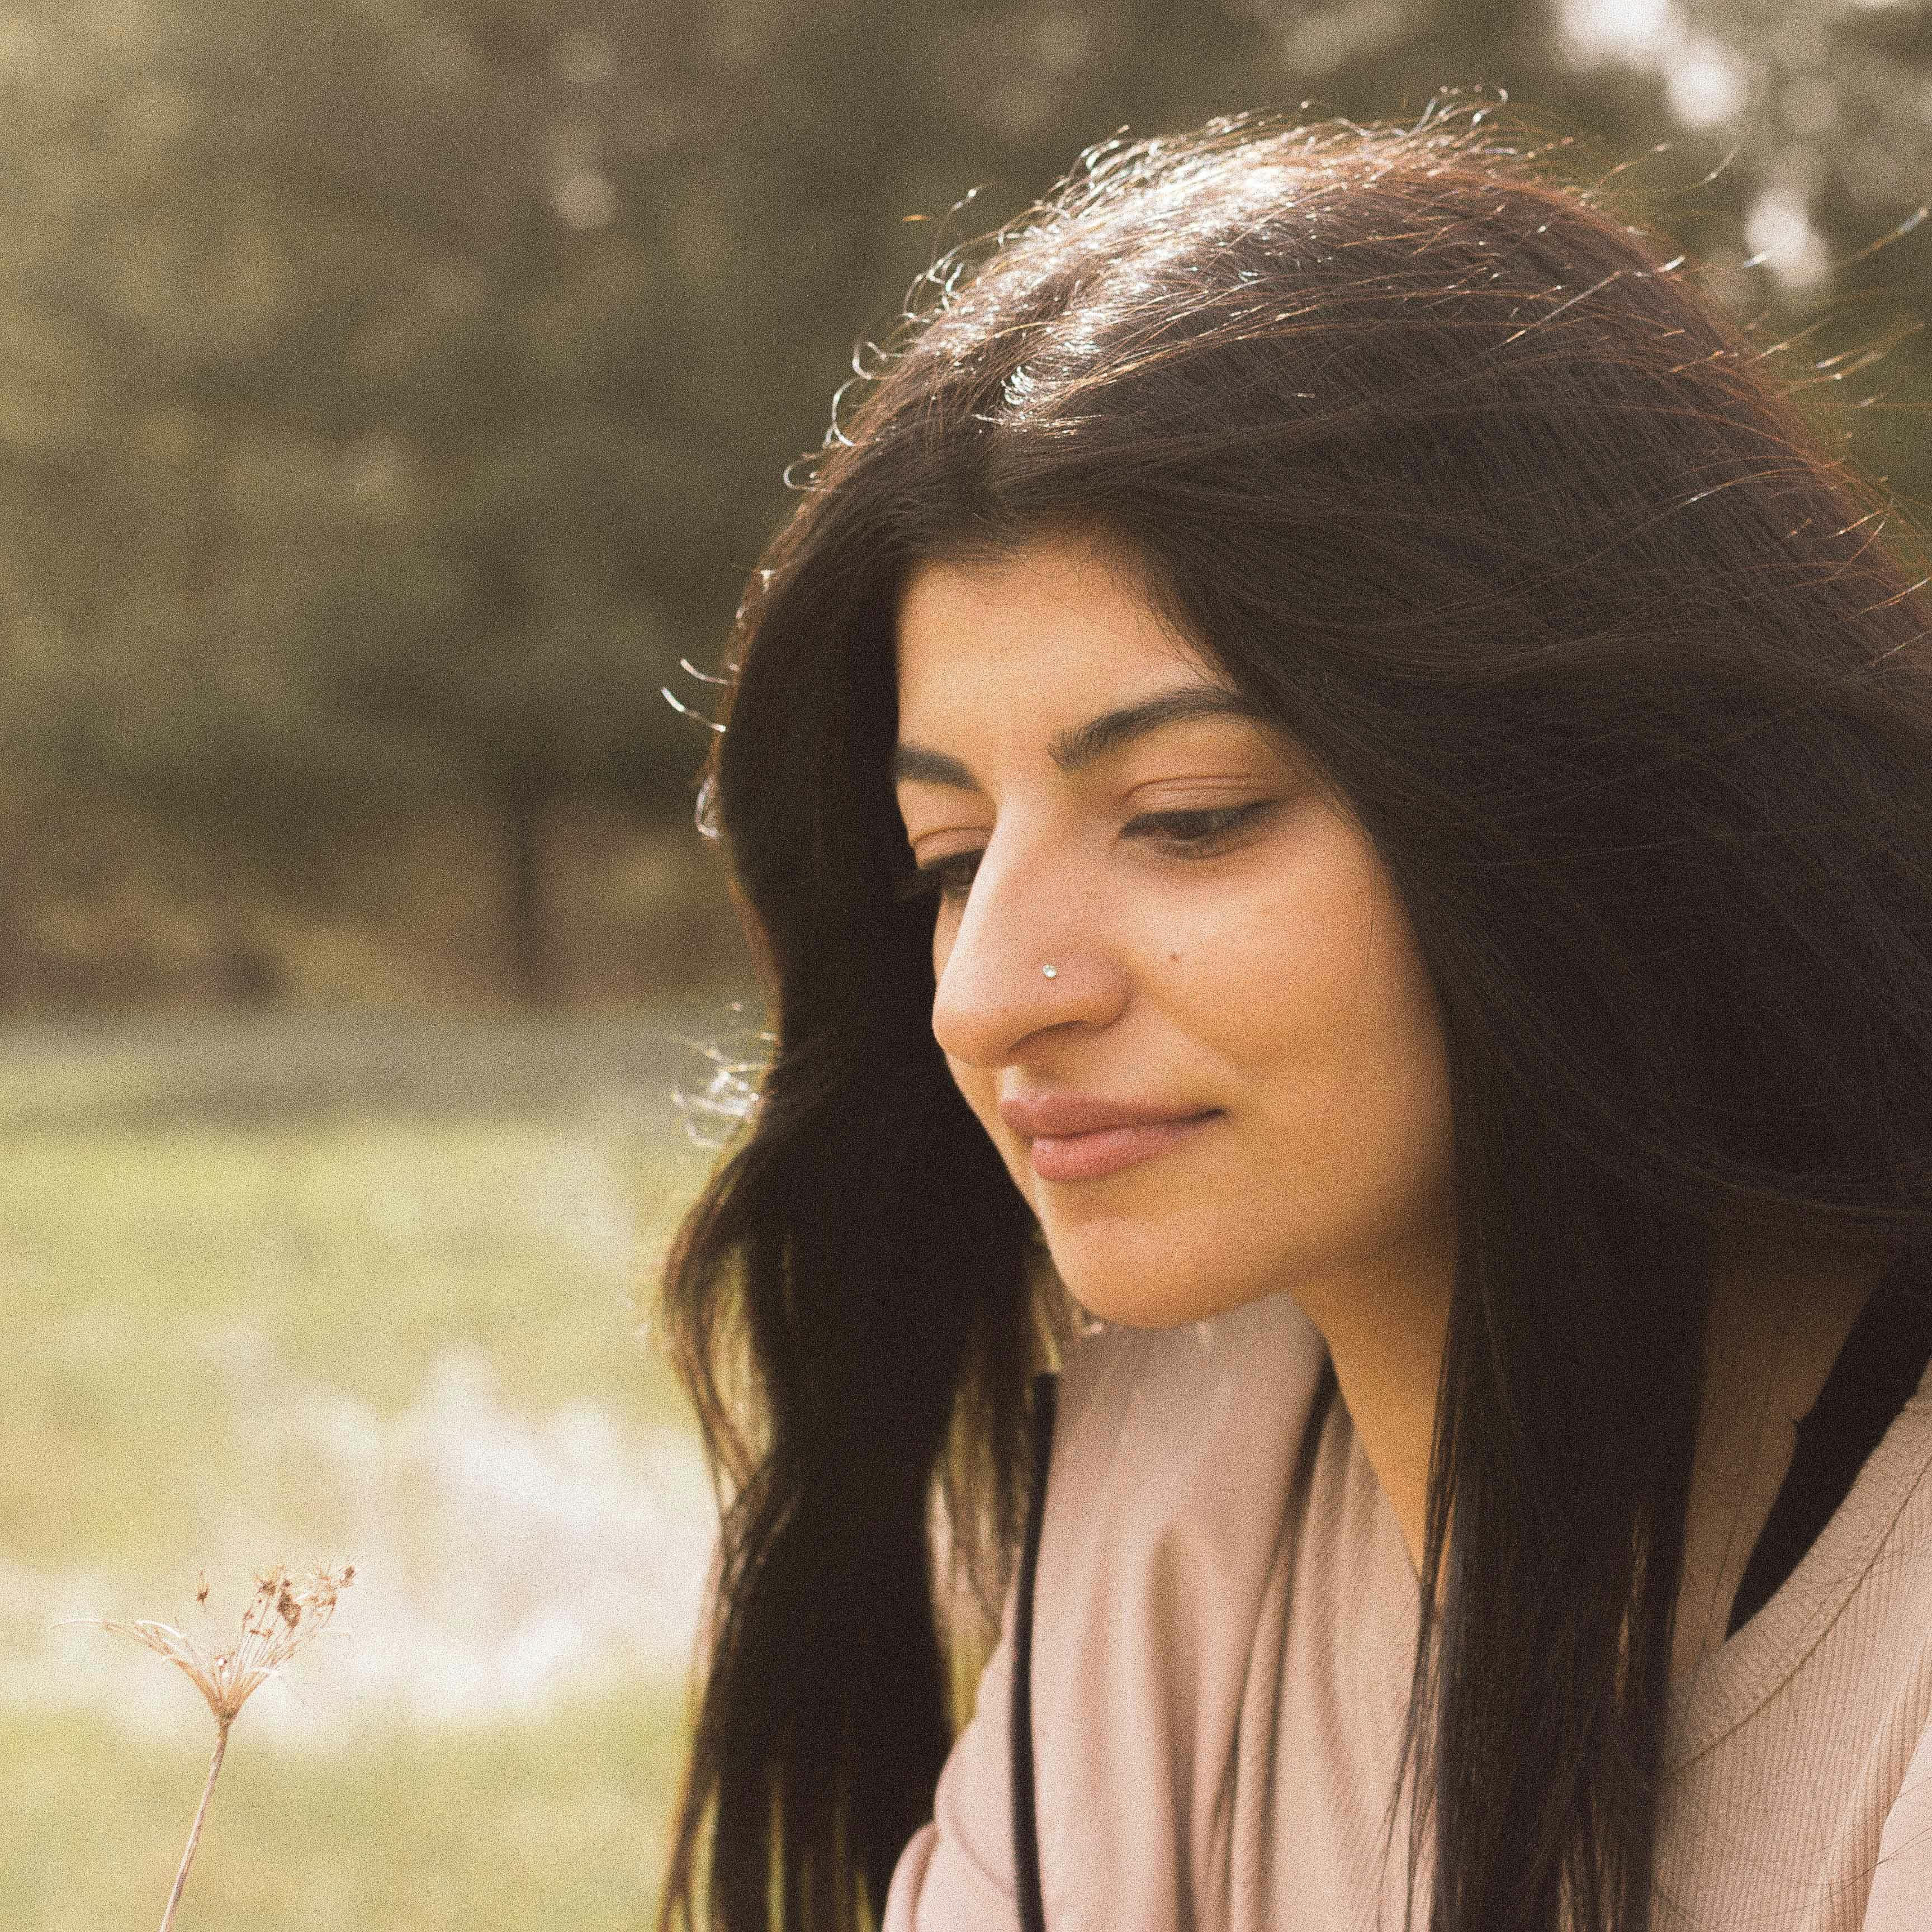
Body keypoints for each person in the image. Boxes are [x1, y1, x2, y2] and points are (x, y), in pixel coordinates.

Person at [654, 104, 1932, 1932]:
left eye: (1188, 822)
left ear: (1582, 809)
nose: (990, 992)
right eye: (949, 854)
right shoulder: (1177, 1461)